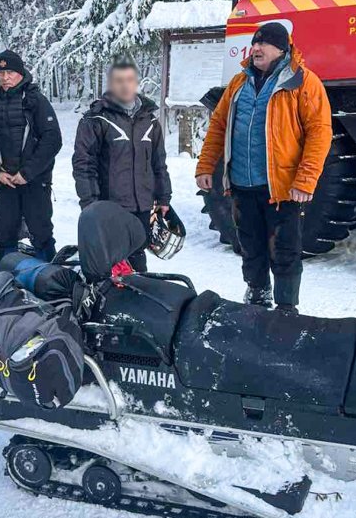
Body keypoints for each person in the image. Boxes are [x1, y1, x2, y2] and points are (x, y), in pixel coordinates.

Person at [196, 21, 332, 314]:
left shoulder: (302, 82)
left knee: (285, 251)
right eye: (254, 43)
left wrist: (305, 180)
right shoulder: (238, 83)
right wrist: (206, 165)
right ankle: (257, 297)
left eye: (263, 43)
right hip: (242, 186)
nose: (255, 48)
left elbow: (319, 133)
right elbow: (218, 126)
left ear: (281, 49)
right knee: (250, 248)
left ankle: (286, 307)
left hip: (282, 189)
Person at [72, 55, 172, 271]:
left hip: (142, 204)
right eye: (119, 80)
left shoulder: (150, 120)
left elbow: (159, 162)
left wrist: (164, 196)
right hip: (110, 204)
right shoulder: (96, 119)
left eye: (129, 79)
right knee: (113, 260)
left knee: (138, 255)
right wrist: (90, 204)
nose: (125, 86)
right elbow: (84, 165)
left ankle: (141, 287)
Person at [0, 50, 62, 264]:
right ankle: (5, 273)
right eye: (0, 73)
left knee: (40, 231)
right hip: (5, 181)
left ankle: (50, 274)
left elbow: (52, 139)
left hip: (34, 180)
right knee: (5, 231)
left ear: (20, 73)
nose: (5, 78)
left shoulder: (35, 100)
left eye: (10, 72)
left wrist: (27, 173)